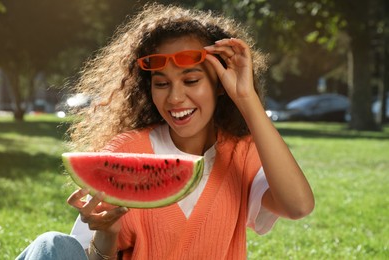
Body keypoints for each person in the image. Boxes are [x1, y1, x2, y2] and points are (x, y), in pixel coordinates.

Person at [17, 3, 314, 260]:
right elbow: (88, 256)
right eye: (161, 83)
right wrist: (108, 233)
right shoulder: (125, 151)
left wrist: (246, 99)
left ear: (219, 85)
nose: (174, 98)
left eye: (191, 80)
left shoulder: (241, 152)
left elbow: (298, 206)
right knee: (52, 245)